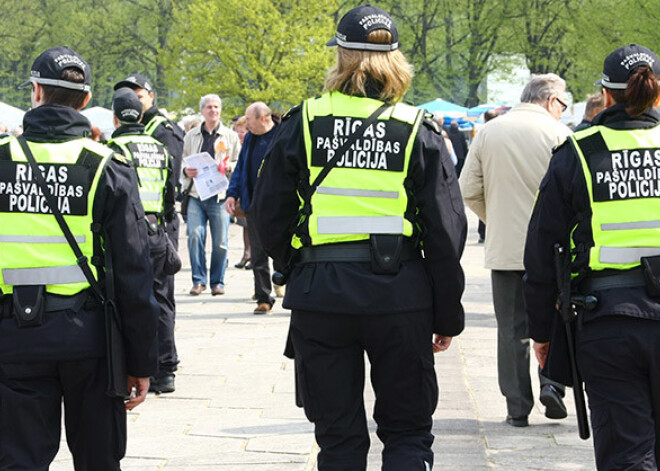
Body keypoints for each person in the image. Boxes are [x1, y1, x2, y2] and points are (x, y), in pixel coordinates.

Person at [251, 5, 466, 469]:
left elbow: (267, 213)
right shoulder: (416, 128)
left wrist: (296, 263)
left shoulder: (305, 120)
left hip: (322, 292)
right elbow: (447, 231)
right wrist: (446, 312)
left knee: (338, 439)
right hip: (400, 293)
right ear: (396, 60)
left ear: (341, 57)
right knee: (409, 432)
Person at [0, 46, 158, 470]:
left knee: (17, 460)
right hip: (89, 339)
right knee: (97, 459)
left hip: (13, 336)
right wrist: (143, 360)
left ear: (34, 93)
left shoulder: (1, 160)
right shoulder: (106, 165)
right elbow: (135, 273)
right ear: (86, 101)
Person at [525, 44, 660, 470]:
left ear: (605, 94)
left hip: (608, 321)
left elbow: (543, 250)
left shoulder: (577, 153)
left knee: (626, 454)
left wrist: (542, 333)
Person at [459, 73, 572, 427]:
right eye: (563, 104)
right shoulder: (560, 135)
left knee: (511, 329)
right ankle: (551, 384)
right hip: (553, 250)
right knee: (555, 320)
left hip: (507, 247)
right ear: (551, 100)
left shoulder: (490, 130)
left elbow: (468, 188)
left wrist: (496, 220)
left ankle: (516, 405)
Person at [107, 87, 180, 394]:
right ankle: (165, 369)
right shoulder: (159, 148)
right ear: (140, 114)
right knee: (161, 300)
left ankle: (132, 367)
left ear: (115, 117)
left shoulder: (113, 147)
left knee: (128, 298)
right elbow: (169, 196)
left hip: (127, 234)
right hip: (157, 231)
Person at [182, 94, 240, 295]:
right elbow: (183, 160)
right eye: (209, 107)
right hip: (197, 194)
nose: (213, 110)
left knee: (221, 242)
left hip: (220, 195)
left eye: (216, 107)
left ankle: (218, 281)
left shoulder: (230, 136)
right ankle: (199, 280)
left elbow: (238, 162)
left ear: (220, 110)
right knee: (194, 236)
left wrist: (228, 166)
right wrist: (185, 170)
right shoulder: (191, 135)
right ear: (202, 111)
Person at [226, 102, 281, 313]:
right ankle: (263, 298)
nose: (245, 124)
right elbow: (240, 167)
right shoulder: (250, 138)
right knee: (258, 255)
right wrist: (233, 194)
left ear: (263, 118)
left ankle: (287, 287)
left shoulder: (282, 135)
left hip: (277, 205)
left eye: (249, 120)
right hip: (254, 205)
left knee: (282, 252)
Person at [232, 115, 252, 270]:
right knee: (245, 226)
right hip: (243, 193)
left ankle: (253, 255)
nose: (239, 135)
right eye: (237, 132)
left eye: (242, 132)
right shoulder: (240, 146)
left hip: (253, 193)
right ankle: (247, 253)